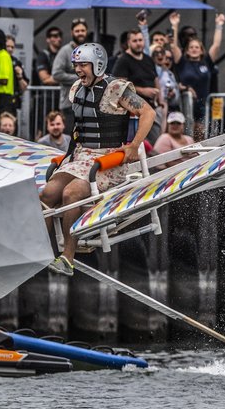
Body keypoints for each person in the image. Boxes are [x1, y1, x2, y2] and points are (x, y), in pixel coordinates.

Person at [41, 43, 155, 275]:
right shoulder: (76, 89)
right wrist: (68, 157)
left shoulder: (116, 89)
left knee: (70, 194)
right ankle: (41, 250)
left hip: (108, 159)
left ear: (98, 65)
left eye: (83, 65)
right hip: (81, 156)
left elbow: (148, 113)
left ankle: (67, 258)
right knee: (46, 194)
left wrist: (134, 146)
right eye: (76, 65)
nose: (78, 70)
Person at [170, 12, 225, 141]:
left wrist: (219, 25)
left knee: (201, 135)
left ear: (201, 50)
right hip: (186, 105)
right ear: (187, 50)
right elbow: (173, 46)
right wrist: (175, 25)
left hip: (203, 105)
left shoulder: (206, 61)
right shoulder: (182, 62)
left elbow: (216, 45)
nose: (194, 49)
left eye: (197, 47)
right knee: (186, 136)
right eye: (191, 47)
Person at [112, 28, 163, 141]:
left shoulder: (148, 59)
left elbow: (156, 79)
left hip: (153, 108)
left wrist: (161, 100)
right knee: (138, 144)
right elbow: (120, 85)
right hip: (134, 112)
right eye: (135, 41)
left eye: (140, 40)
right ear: (129, 42)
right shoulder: (123, 61)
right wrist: (143, 91)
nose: (138, 43)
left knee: (156, 142)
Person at [51, 18, 89, 132]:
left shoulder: (91, 50)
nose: (80, 33)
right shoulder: (65, 51)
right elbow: (56, 74)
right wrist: (80, 78)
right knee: (70, 138)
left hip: (89, 104)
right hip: (69, 104)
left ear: (86, 31)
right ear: (72, 32)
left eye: (82, 30)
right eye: (77, 31)